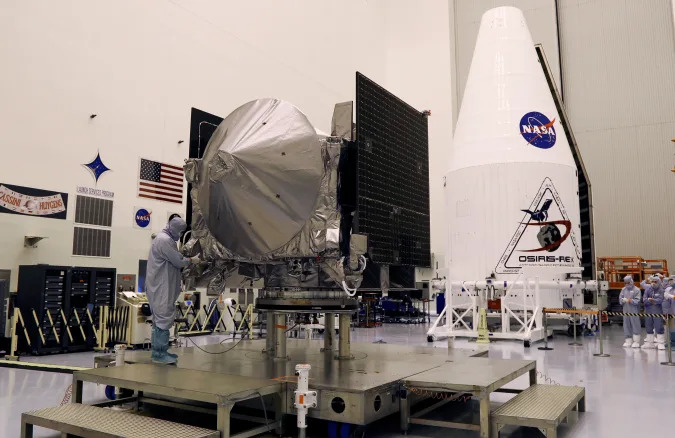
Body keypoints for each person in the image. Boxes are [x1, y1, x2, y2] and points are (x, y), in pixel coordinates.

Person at [146, 217, 199, 364]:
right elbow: (178, 261)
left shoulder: (164, 239)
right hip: (162, 287)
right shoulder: (165, 240)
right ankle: (159, 354)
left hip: (161, 286)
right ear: (175, 229)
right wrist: (192, 260)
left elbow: (175, 258)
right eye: (181, 231)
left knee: (160, 320)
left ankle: (160, 351)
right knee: (163, 318)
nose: (181, 235)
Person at [642, 276, 665, 349]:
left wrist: (653, 301)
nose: (653, 283)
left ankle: (661, 343)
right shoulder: (647, 289)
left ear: (659, 282)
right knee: (649, 327)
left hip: (657, 312)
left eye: (655, 282)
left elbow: (661, 300)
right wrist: (652, 301)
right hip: (648, 311)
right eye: (652, 282)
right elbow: (644, 300)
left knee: (659, 326)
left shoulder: (661, 290)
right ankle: (650, 343)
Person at [619, 275, 642, 348]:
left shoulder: (637, 290)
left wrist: (629, 300)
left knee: (635, 324)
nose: (627, 284)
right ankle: (628, 340)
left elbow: (637, 301)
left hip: (634, 311)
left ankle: (636, 341)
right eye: (625, 283)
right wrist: (622, 300)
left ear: (632, 281)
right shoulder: (623, 290)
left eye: (628, 282)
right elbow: (620, 299)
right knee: (626, 324)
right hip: (625, 311)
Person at [663, 275, 675, 348]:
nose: (671, 282)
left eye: (672, 280)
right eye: (670, 280)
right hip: (670, 312)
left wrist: (672, 296)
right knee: (671, 327)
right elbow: (665, 302)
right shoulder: (668, 289)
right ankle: (672, 342)